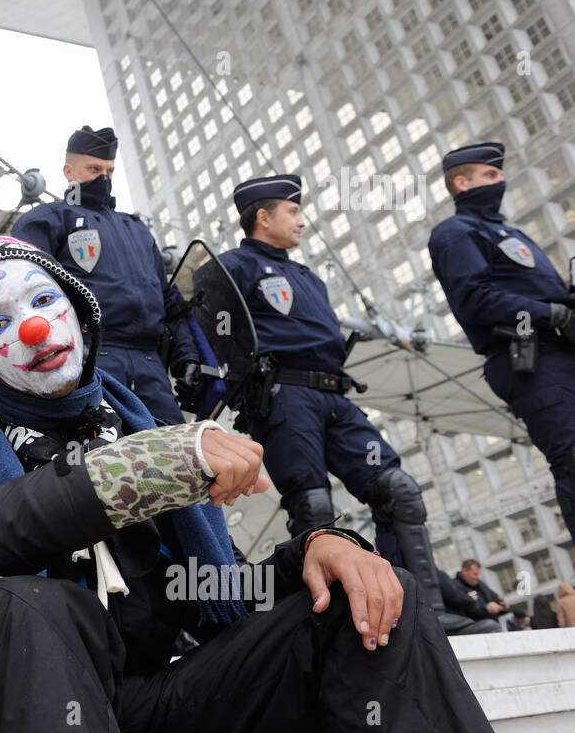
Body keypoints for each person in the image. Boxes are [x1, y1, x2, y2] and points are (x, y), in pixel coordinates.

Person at [0, 230, 505, 733]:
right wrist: (134, 473)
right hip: (36, 718)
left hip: (166, 701)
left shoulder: (131, 422)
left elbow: (218, 588)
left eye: (44, 300)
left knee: (365, 590)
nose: (34, 328)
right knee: (19, 601)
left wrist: (315, 549)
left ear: (78, 311)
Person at [215, 175, 461, 630]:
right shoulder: (232, 267)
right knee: (314, 510)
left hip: (335, 395)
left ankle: (423, 616)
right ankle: (333, 625)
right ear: (263, 217)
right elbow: (215, 337)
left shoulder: (307, 277)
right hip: (285, 394)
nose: (302, 221)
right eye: (293, 212)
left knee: (399, 492)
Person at [428, 142, 575, 544]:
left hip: (561, 353)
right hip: (528, 358)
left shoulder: (512, 233)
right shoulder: (455, 233)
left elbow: (544, 292)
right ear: (461, 182)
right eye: (490, 175)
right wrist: (552, 314)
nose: (501, 181)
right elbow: (474, 299)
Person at [10, 126, 200, 425]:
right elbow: (22, 293)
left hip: (151, 365)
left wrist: (187, 356)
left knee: (178, 457)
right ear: (69, 171)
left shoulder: (136, 229)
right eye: (94, 168)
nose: (104, 177)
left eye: (109, 170)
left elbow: (170, 301)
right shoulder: (47, 220)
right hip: (88, 358)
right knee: (105, 458)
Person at [441, 559, 509, 626]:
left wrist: (502, 606)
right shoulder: (454, 587)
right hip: (475, 627)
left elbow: (494, 597)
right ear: (464, 571)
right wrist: (487, 609)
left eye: (479, 574)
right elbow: (464, 609)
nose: (478, 577)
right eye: (475, 574)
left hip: (492, 624)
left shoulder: (480, 584)